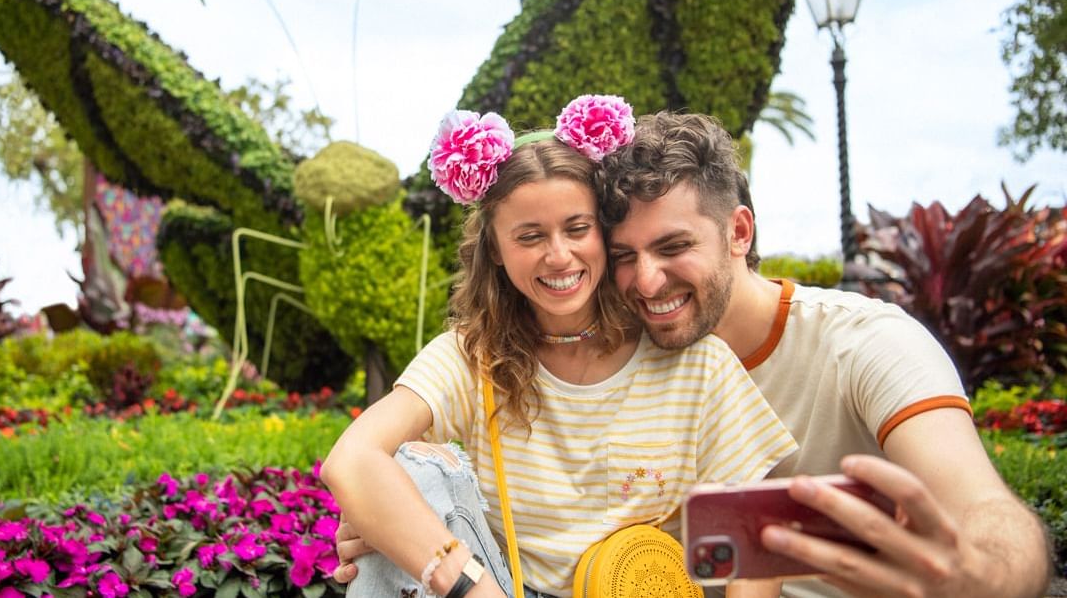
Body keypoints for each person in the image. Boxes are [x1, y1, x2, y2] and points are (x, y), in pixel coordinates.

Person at [321, 97, 797, 597]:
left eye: (577, 228)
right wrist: (458, 577)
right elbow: (351, 459)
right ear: (497, 253)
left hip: (635, 585)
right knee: (410, 474)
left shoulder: (694, 363)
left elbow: (753, 534)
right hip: (502, 590)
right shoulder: (471, 355)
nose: (558, 256)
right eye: (529, 236)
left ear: (603, 231)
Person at [597, 109, 1052, 598]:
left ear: (739, 232)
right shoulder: (623, 361)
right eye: (625, 256)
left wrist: (988, 577)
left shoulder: (866, 342)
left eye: (673, 246)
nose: (645, 281)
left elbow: (984, 508)